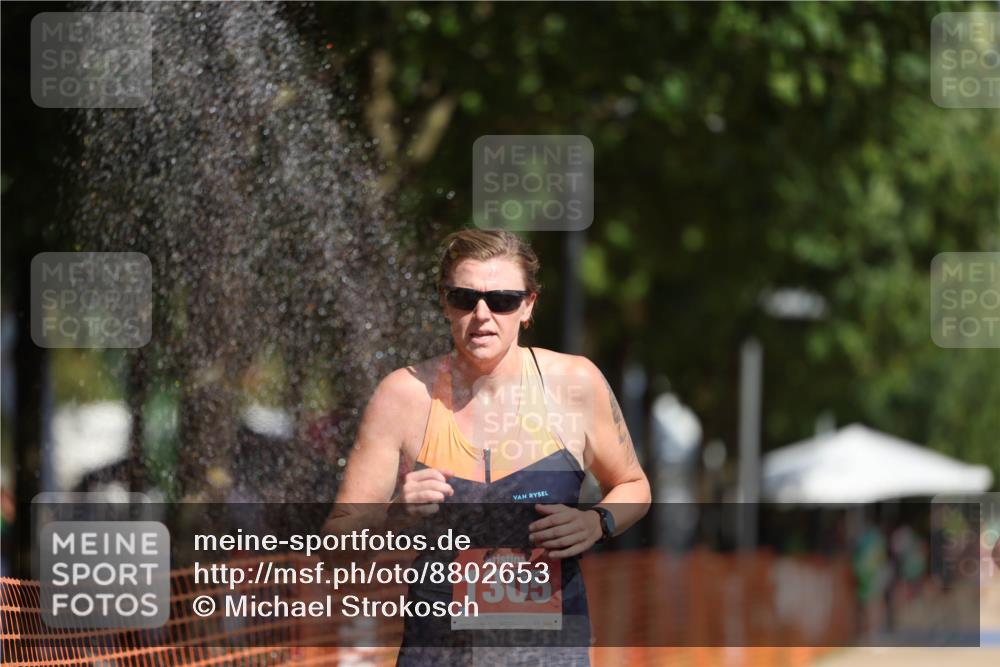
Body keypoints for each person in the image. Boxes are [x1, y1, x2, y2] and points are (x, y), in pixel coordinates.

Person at [331, 229, 651, 666]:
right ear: (445, 302)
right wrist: (395, 514)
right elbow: (337, 549)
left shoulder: (576, 384)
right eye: (464, 298)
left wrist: (598, 522)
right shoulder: (403, 396)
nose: (482, 315)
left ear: (528, 305)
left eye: (502, 300)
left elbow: (634, 485)